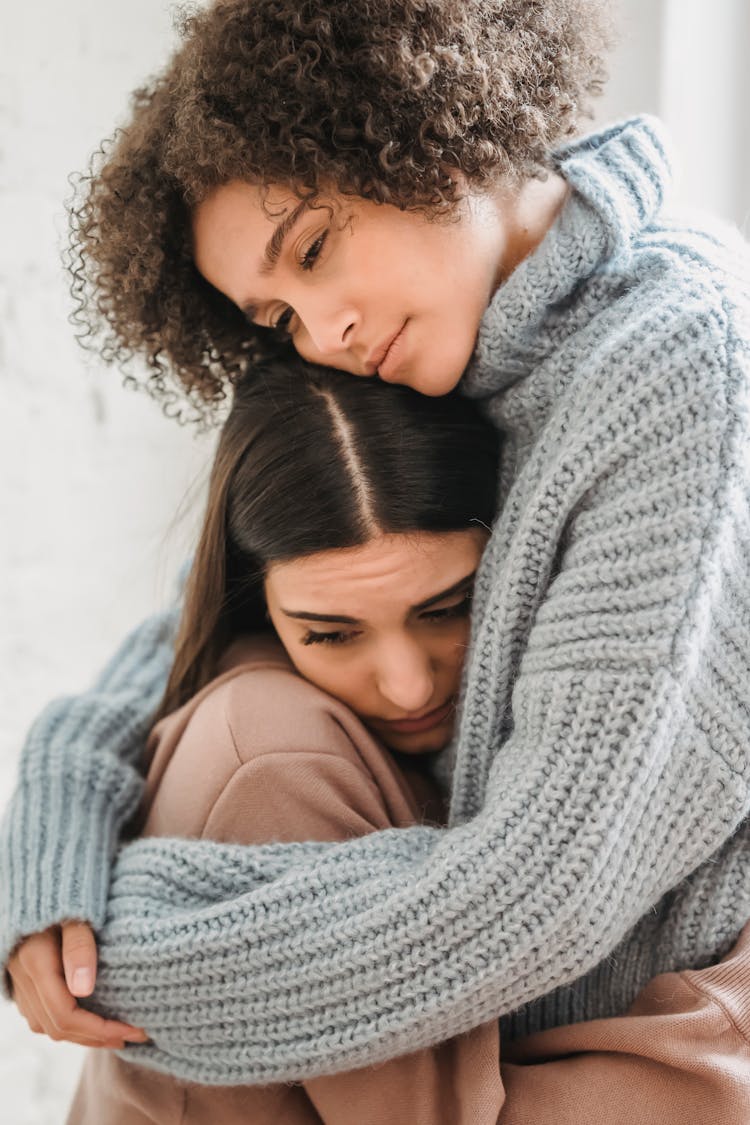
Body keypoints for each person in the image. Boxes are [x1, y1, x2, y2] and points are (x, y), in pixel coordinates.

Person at [2, 0, 750, 1100]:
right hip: (474, 986)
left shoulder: (679, 362)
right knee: (242, 707)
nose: (325, 332)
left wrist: (119, 966)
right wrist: (59, 810)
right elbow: (205, 610)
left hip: (630, 1013)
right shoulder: (446, 342)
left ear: (427, 125)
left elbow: (550, 888)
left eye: (313, 247)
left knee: (247, 759)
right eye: (277, 318)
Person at [65, 361, 750, 1125]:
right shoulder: (271, 754)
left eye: (447, 608)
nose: (408, 686)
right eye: (330, 633)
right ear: (256, 599)